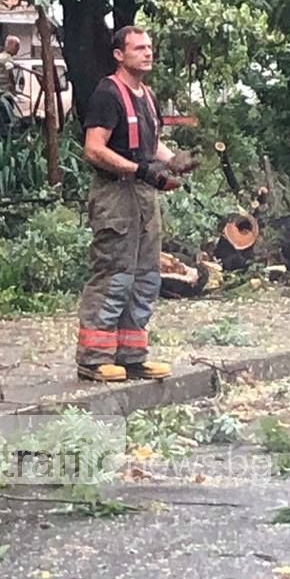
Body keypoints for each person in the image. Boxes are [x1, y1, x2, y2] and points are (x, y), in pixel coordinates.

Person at [76, 25, 196, 382]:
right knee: (114, 274)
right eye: (139, 48)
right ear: (119, 54)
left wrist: (174, 162)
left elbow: (151, 144)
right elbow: (94, 148)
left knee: (145, 277)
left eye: (150, 47)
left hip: (143, 197)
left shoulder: (147, 95)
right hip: (116, 195)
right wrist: (139, 170)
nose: (148, 53)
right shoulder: (107, 93)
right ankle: (93, 358)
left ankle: (131, 355)